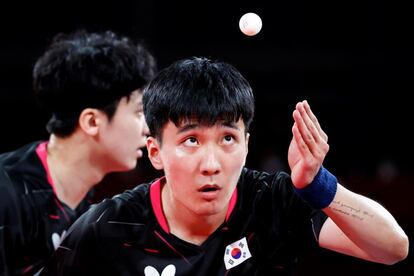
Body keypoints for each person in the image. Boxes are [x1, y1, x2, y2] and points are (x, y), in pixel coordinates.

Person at [41, 57, 408, 275]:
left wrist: (318, 185)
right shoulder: (107, 228)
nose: (212, 164)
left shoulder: (274, 201)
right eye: (191, 141)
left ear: (247, 145)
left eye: (228, 139)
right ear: (155, 152)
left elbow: (392, 248)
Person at [0, 30, 156, 275]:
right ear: (92, 121)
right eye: (138, 113)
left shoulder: (91, 214)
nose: (147, 128)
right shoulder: (6, 194)